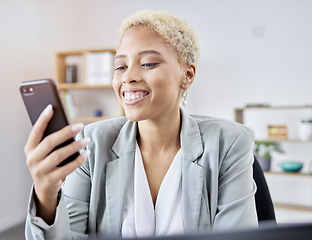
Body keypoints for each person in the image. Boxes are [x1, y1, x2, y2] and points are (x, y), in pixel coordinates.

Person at [25, 10, 258, 240]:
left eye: (147, 63)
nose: (128, 77)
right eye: (120, 66)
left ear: (187, 74)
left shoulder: (230, 142)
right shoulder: (92, 142)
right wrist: (46, 194)